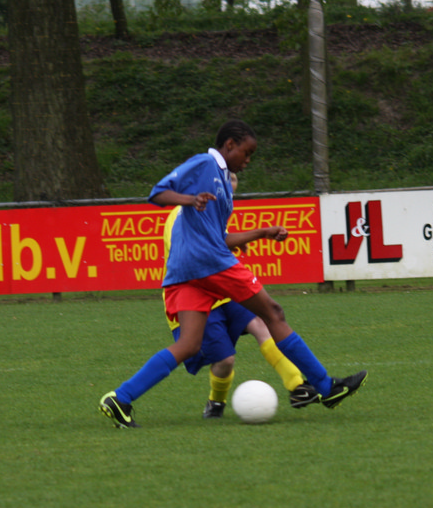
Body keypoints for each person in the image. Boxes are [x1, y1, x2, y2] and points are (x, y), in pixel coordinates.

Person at [99, 120, 367, 428]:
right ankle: (326, 387)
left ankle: (120, 398)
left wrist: (262, 232)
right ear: (229, 145)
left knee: (189, 344)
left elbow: (219, 237)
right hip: (208, 263)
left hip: (187, 272)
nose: (248, 160)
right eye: (246, 152)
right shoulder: (204, 164)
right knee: (273, 313)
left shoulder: (224, 184)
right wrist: (190, 199)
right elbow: (158, 193)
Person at [162, 193, 317, 418]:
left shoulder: (211, 211)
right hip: (197, 294)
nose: (226, 190)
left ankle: (297, 386)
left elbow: (219, 239)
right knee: (225, 360)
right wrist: (252, 236)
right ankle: (216, 401)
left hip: (224, 289)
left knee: (261, 323)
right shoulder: (179, 217)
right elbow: (199, 250)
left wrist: (237, 241)